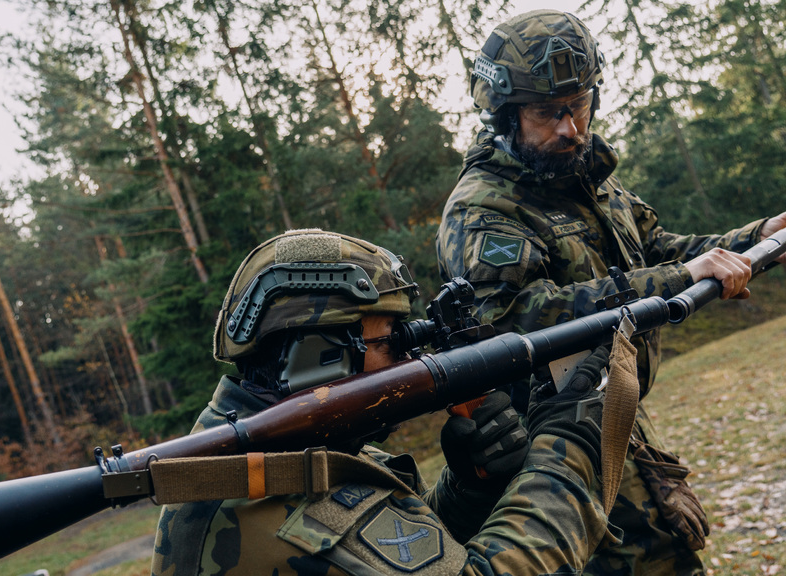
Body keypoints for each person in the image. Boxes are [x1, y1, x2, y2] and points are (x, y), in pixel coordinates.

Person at [436, 10, 786, 575]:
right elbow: (518, 319)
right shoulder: (483, 208)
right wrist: (679, 278)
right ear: (504, 114)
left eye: (580, 104)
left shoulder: (587, 177)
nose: (571, 128)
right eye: (549, 113)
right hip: (545, 455)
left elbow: (665, 250)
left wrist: (757, 240)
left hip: (616, 417)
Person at [150, 228, 615, 575]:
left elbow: (406, 548)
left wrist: (469, 490)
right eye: (390, 341)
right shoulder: (279, 498)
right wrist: (564, 447)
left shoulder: (296, 443)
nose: (408, 360)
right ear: (319, 359)